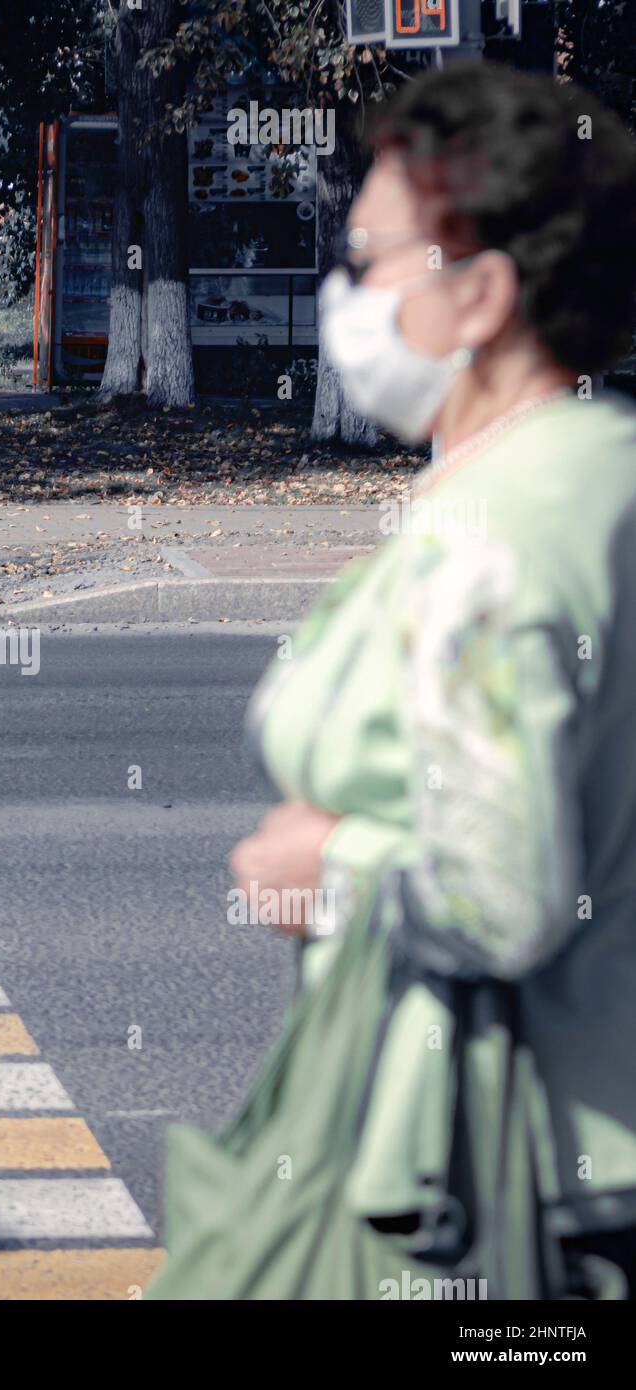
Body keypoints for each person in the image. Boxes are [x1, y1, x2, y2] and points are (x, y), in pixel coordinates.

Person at [150, 64, 636, 1299]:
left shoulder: (489, 535)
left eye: (371, 263)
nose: (347, 300)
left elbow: (499, 895)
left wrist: (324, 869)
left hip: (503, 1187)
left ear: (479, 292)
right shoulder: (603, 470)